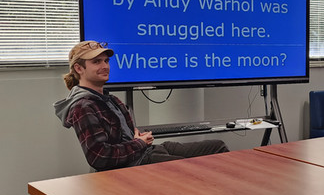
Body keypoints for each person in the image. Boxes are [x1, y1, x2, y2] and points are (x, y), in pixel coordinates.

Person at [54, 41, 228, 171]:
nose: (105, 66)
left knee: (217, 146)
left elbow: (126, 136)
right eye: (97, 62)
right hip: (133, 163)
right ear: (78, 68)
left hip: (145, 151)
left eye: (106, 61)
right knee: (192, 169)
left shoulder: (111, 100)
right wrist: (138, 143)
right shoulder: (83, 107)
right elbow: (99, 157)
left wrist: (139, 137)